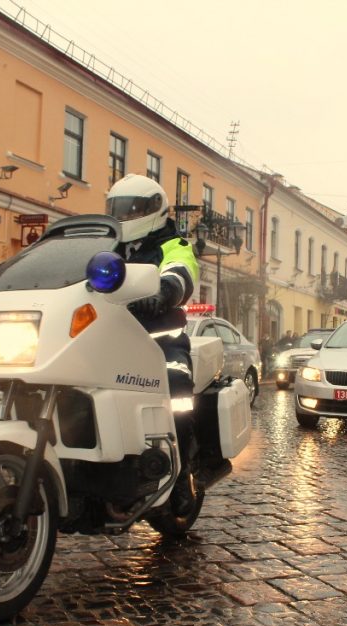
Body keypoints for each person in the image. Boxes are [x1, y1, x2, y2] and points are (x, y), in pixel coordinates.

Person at [106, 174, 201, 514]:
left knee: (177, 394)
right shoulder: (104, 244)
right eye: (118, 209)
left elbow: (181, 269)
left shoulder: (172, 244)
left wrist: (166, 290)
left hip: (160, 341)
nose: (125, 216)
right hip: (109, 340)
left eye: (133, 209)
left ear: (155, 211)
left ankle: (182, 474)